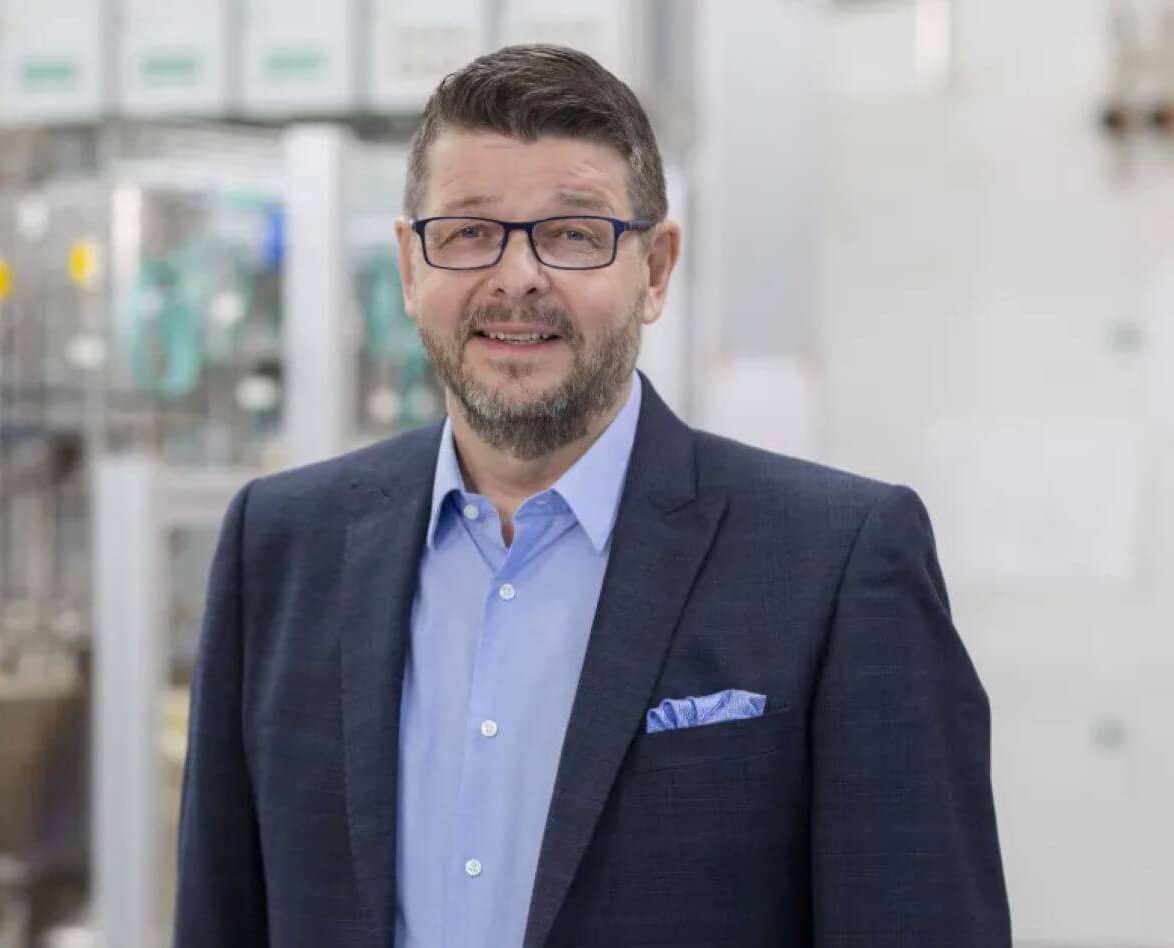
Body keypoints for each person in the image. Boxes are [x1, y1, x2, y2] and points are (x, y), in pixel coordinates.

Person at [174, 44, 1011, 948]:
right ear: (411, 270)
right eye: (468, 231)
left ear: (654, 271)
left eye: (574, 234)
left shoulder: (836, 561)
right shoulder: (280, 547)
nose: (517, 277)